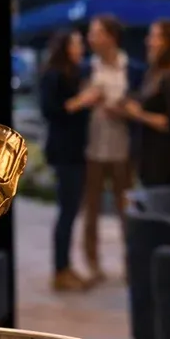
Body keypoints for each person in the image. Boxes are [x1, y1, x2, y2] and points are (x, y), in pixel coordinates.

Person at [82, 15, 144, 280]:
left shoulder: (134, 69)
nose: (91, 38)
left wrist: (123, 111)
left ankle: (132, 264)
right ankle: (92, 265)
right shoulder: (87, 68)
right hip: (92, 149)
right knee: (91, 211)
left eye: (96, 33)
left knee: (126, 210)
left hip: (123, 150)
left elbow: (141, 106)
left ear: (111, 37)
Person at [39, 30, 98, 292]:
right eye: (76, 43)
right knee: (67, 210)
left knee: (72, 210)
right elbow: (51, 110)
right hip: (65, 151)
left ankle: (65, 266)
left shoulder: (75, 73)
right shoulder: (54, 75)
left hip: (77, 149)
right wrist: (80, 102)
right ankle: (60, 269)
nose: (81, 47)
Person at [121, 19, 170, 187]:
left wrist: (139, 114)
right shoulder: (155, 74)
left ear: (168, 42)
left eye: (154, 37)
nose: (148, 41)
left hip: (169, 163)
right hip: (151, 159)